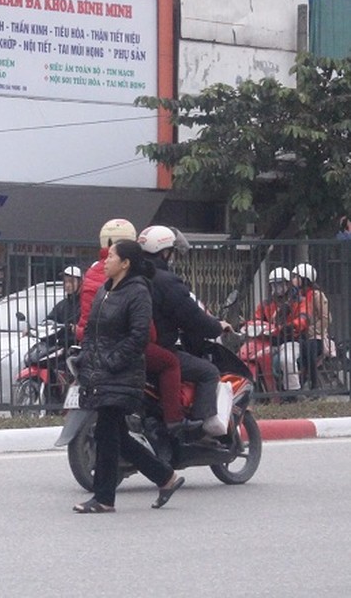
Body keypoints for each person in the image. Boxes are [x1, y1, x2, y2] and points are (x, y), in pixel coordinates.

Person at [72, 240, 185, 513]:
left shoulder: (137, 292)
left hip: (121, 373)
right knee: (115, 435)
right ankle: (165, 477)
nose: (106, 260)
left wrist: (112, 361)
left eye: (112, 256)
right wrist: (87, 356)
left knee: (107, 433)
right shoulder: (104, 291)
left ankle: (104, 498)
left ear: (125, 264)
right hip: (100, 372)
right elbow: (91, 330)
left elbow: (139, 336)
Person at [76, 219, 193, 435]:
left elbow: (90, 323)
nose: (109, 260)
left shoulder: (93, 272)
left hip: (92, 344)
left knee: (114, 436)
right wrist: (115, 357)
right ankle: (174, 421)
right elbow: (139, 332)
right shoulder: (131, 281)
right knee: (170, 363)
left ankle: (163, 469)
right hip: (116, 348)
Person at [138, 225, 233, 436]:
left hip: (130, 344)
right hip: (156, 345)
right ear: (164, 252)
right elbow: (192, 317)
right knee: (209, 372)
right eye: (171, 252)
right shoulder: (165, 280)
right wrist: (217, 326)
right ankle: (198, 428)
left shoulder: (132, 274)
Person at [254, 267, 308, 392]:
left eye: (280, 283)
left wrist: (291, 326)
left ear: (288, 284)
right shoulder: (266, 304)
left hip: (291, 340)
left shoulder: (299, 301)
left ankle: (293, 392)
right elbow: (256, 319)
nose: (276, 287)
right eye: (274, 284)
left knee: (286, 359)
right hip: (269, 342)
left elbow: (304, 318)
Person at [292, 263, 330, 391]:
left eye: (296, 277)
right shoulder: (298, 296)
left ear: (305, 279)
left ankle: (315, 386)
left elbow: (326, 318)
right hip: (301, 334)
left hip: (316, 336)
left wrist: (313, 330)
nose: (293, 280)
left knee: (310, 349)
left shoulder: (316, 295)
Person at [45, 266, 83, 332]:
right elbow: (49, 319)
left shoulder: (85, 304)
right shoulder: (62, 305)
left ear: (80, 282)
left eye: (71, 281)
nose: (67, 285)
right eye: (65, 281)